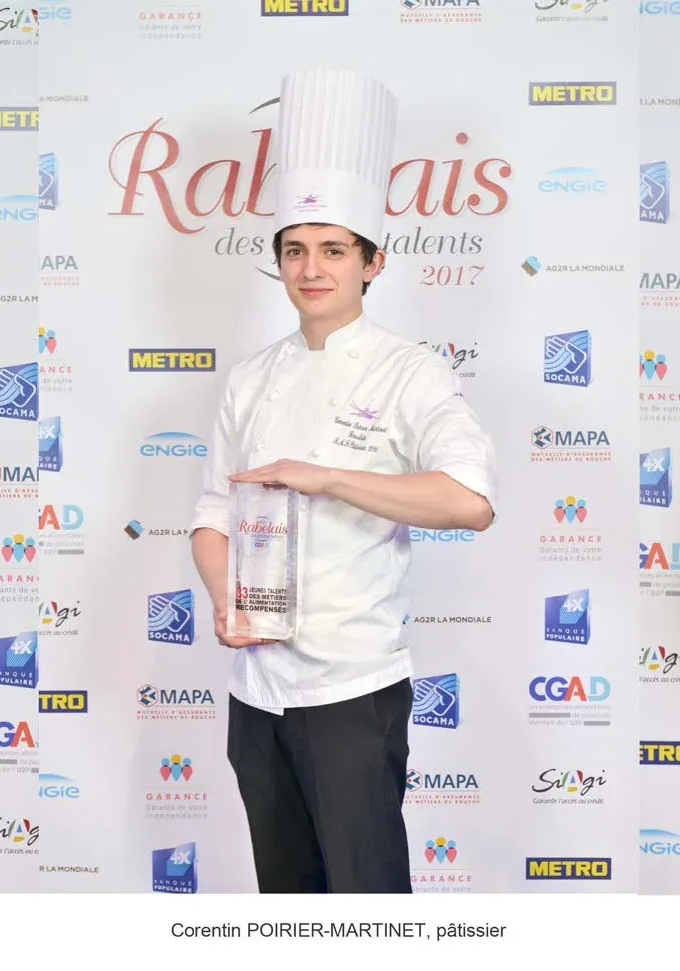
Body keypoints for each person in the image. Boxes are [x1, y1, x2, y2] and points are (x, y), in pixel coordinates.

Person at [188, 68, 497, 894]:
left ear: (372, 262)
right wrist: (226, 599)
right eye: (296, 250)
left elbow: (468, 500)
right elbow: (212, 513)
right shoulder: (251, 378)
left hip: (352, 698)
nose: (312, 267)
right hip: (256, 696)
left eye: (332, 250)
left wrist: (327, 478)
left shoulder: (411, 372)